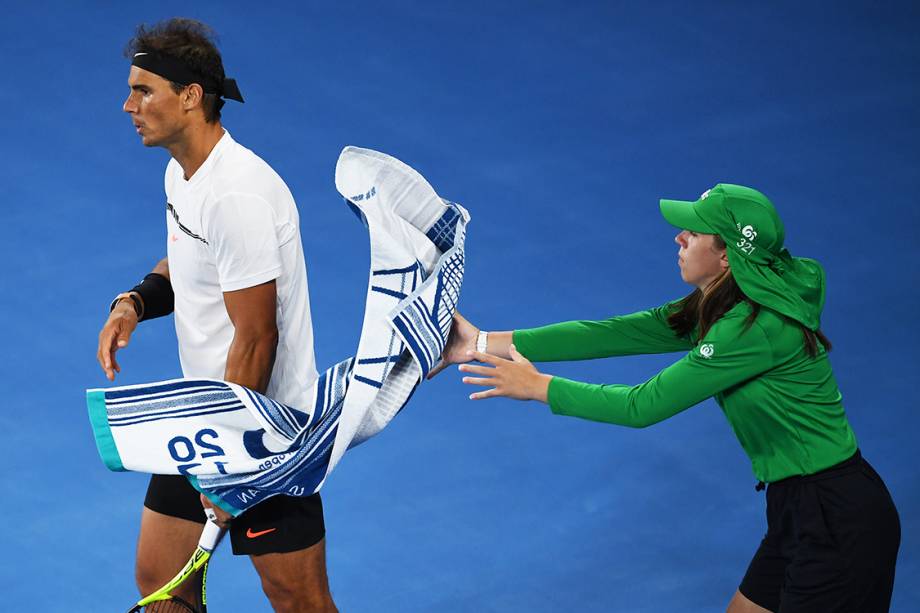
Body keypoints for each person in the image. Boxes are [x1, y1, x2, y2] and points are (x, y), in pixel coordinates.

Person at [432, 184, 900, 612]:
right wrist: (477, 343)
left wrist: (538, 387)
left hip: (837, 520)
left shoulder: (753, 330)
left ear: (726, 258)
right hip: (799, 505)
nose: (679, 237)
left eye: (694, 232)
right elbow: (614, 334)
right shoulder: (724, 302)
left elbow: (644, 405)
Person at [96, 18, 336, 612]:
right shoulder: (184, 171)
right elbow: (188, 258)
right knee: (161, 579)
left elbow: (257, 337)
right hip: (206, 410)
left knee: (297, 597)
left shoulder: (238, 195)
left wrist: (227, 460)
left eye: (143, 90)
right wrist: (136, 302)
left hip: (266, 430)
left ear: (191, 96)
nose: (128, 105)